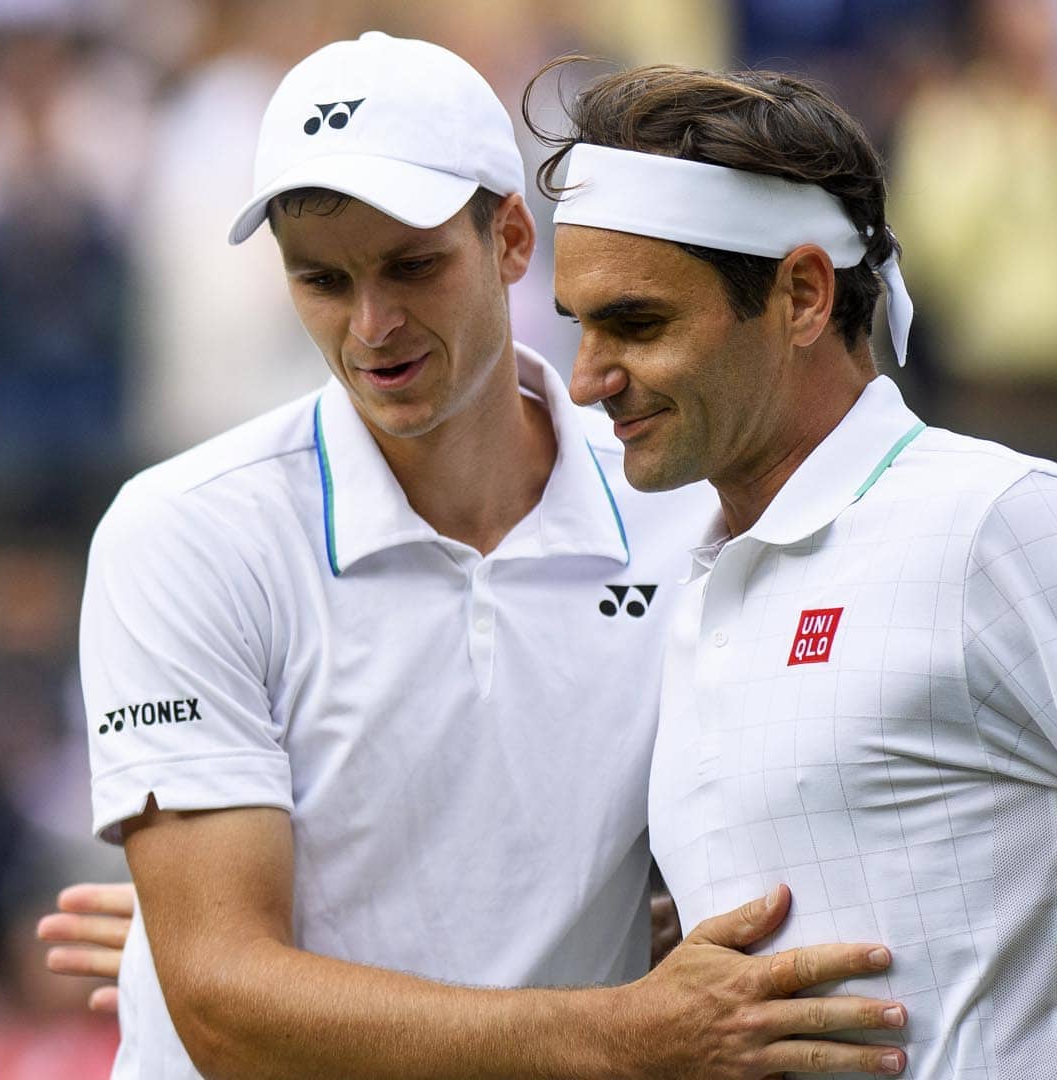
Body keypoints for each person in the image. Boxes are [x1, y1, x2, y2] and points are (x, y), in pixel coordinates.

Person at [60, 31, 911, 1080]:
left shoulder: (683, 507)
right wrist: (627, 1031)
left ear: (513, 240)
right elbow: (226, 1006)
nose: (372, 325)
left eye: (414, 266)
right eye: (322, 279)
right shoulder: (183, 531)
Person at [538, 61, 1057, 1077]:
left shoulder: (1007, 529)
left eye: (638, 324)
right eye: (580, 325)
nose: (588, 380)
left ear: (798, 295)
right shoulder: (690, 589)